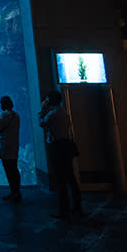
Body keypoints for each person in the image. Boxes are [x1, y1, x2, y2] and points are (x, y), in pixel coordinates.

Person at [39, 89, 81, 220]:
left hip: (57, 147)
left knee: (59, 179)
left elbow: (42, 123)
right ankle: (77, 206)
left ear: (50, 101)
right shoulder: (64, 113)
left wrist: (41, 109)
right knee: (70, 177)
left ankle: (63, 210)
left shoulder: (53, 114)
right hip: (66, 145)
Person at [0, 95, 21, 201]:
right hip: (15, 144)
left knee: (8, 169)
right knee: (14, 168)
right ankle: (17, 191)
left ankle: (13, 191)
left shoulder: (3, 115)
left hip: (5, 144)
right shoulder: (16, 115)